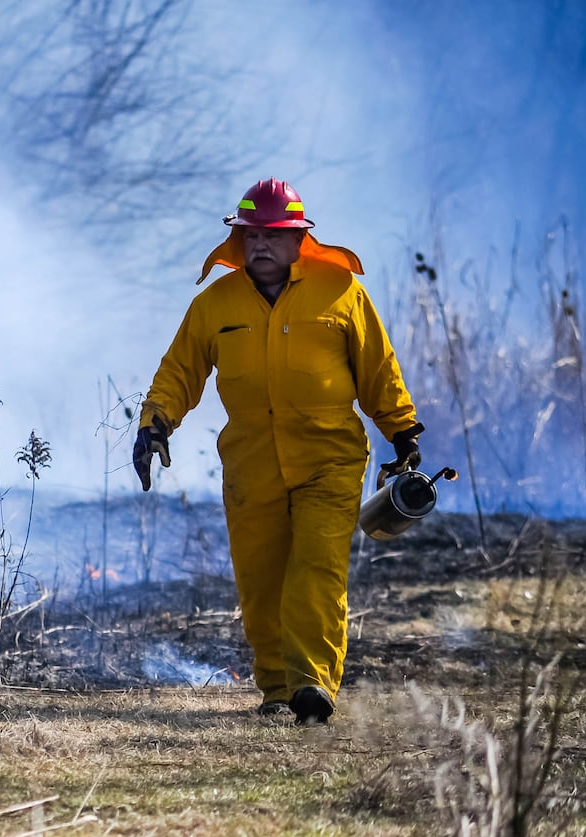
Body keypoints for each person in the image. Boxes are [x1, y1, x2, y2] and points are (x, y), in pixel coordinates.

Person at [132, 178, 423, 724]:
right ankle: (276, 689)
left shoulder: (341, 293)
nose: (260, 243)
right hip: (251, 462)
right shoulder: (214, 305)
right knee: (261, 579)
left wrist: (403, 432)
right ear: (238, 241)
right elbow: (179, 372)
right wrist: (154, 426)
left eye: (273, 234)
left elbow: (378, 368)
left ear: (298, 240)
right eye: (251, 234)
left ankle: (312, 684)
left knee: (316, 568)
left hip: (330, 456)